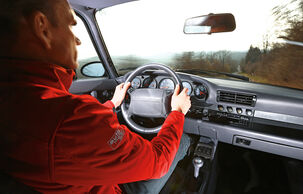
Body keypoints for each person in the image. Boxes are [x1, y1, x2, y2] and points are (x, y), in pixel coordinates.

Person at [0, 0, 191, 193]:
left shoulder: (21, 101)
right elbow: (158, 162)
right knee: (181, 141)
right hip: (110, 188)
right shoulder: (69, 120)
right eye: (70, 26)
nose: (78, 40)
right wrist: (178, 111)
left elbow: (81, 131)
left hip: (82, 180)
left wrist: (112, 104)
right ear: (42, 27)